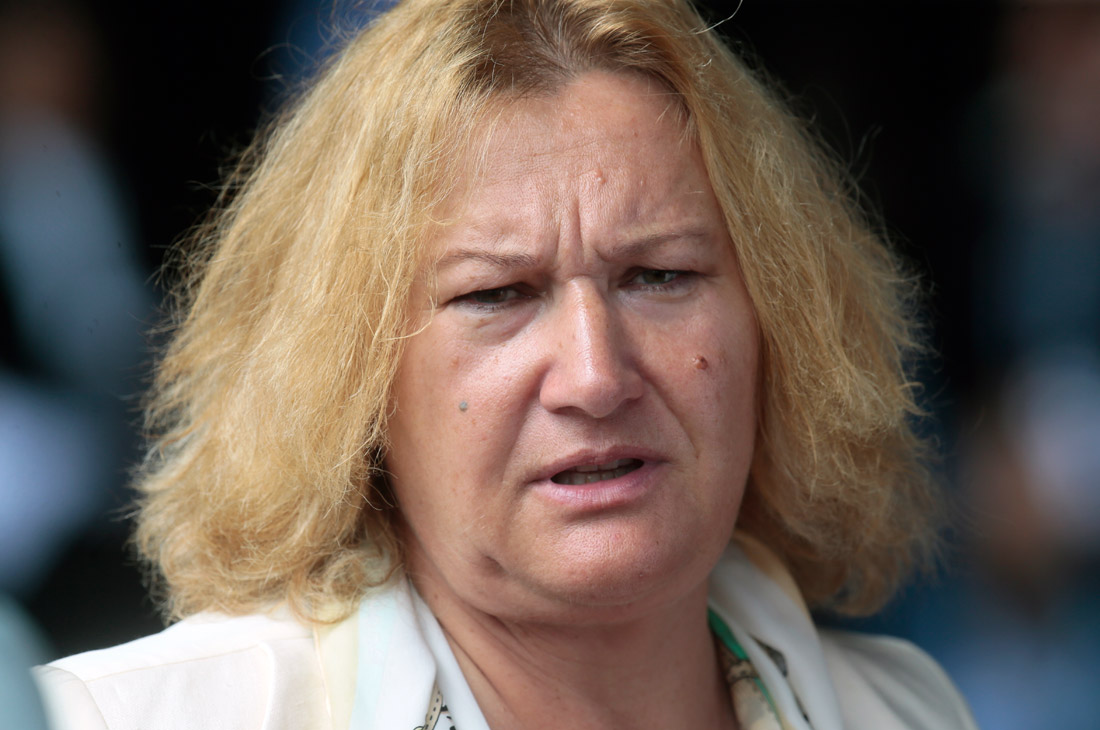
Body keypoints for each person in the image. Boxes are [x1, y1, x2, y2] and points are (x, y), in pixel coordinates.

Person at [34, 1, 977, 728]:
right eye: (498, 294)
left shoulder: (908, 711)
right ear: (351, 383)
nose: (595, 376)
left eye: (659, 275)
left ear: (781, 326)